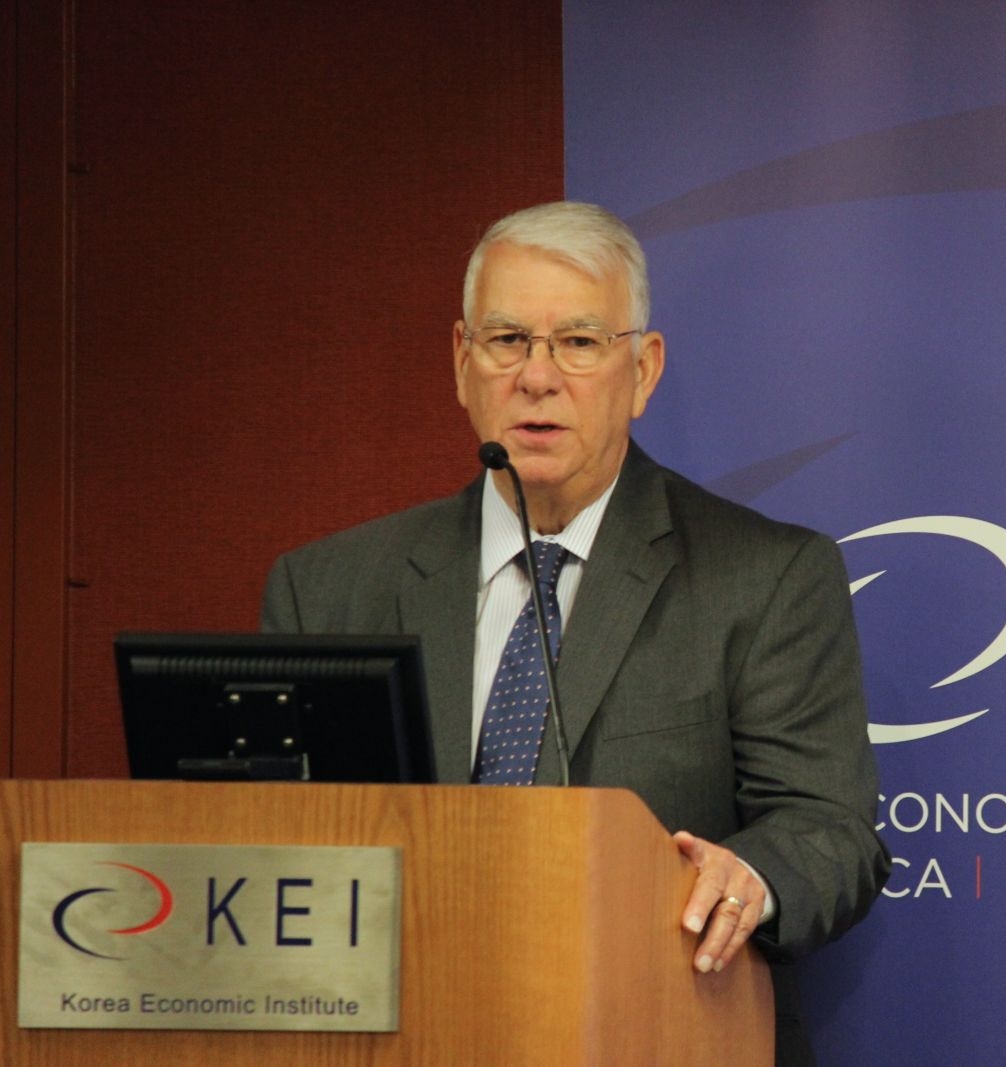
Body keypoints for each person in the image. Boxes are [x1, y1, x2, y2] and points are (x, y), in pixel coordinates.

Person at [261, 201, 889, 1065]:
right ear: (461, 362)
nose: (537, 376)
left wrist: (750, 876)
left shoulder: (765, 576)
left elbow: (828, 828)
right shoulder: (329, 588)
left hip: (657, 1033)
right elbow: (271, 845)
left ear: (644, 369)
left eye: (580, 342)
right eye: (507, 339)